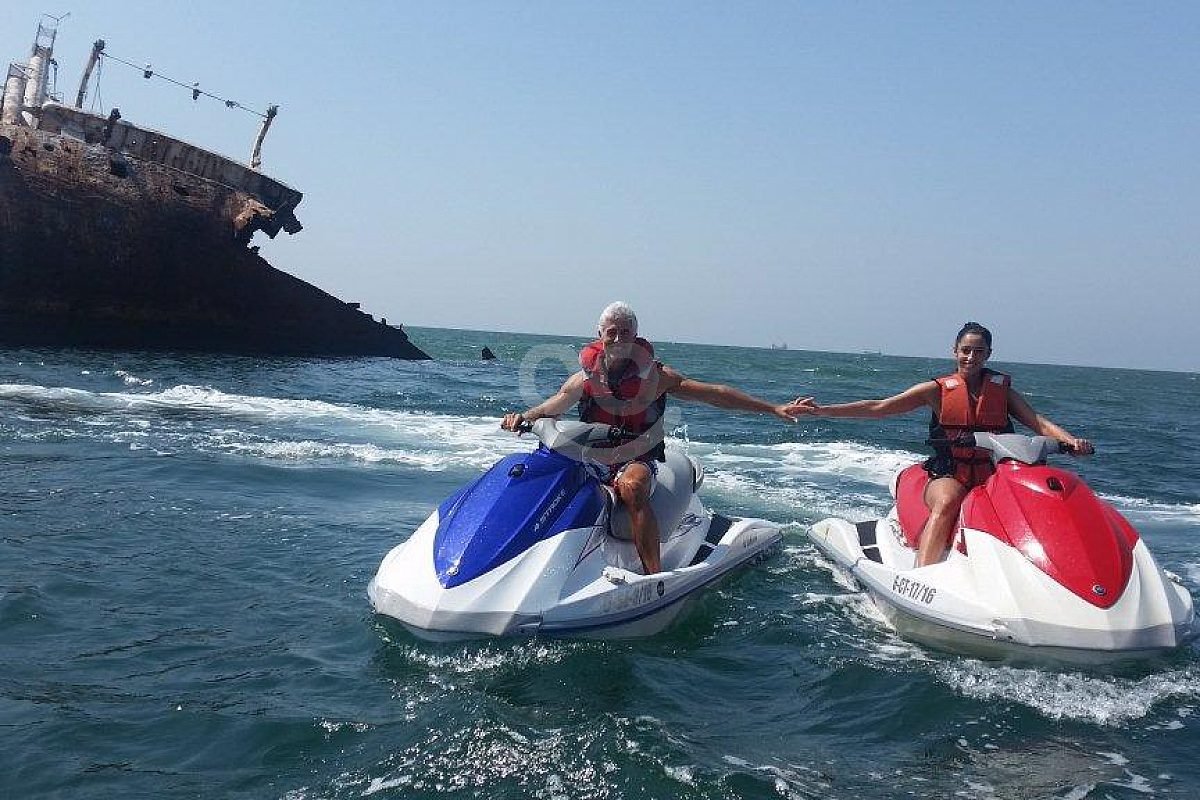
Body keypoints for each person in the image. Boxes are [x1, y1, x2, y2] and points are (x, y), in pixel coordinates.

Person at [502, 301, 808, 575]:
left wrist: (772, 408)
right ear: (600, 334)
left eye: (626, 332)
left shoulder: (656, 376)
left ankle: (653, 575)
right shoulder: (585, 378)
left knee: (632, 487)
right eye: (612, 332)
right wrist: (522, 418)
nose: (619, 339)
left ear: (636, 336)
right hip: (593, 455)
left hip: (636, 456)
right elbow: (549, 408)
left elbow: (715, 395)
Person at [786, 321, 1093, 567]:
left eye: (978, 352)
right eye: (965, 350)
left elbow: (1036, 421)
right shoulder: (936, 390)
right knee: (949, 501)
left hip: (992, 475)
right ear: (955, 351)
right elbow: (879, 407)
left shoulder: (1002, 391)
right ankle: (923, 574)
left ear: (988, 354)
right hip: (948, 473)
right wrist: (823, 410)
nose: (971, 358)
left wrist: (1070, 442)